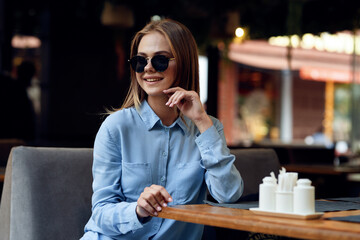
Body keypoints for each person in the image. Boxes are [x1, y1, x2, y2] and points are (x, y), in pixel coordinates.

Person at [81, 18, 243, 240]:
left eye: (160, 60)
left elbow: (228, 195)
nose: (147, 68)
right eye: (140, 61)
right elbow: (100, 213)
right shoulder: (115, 127)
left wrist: (201, 121)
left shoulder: (208, 127)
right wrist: (138, 209)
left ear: (184, 63)